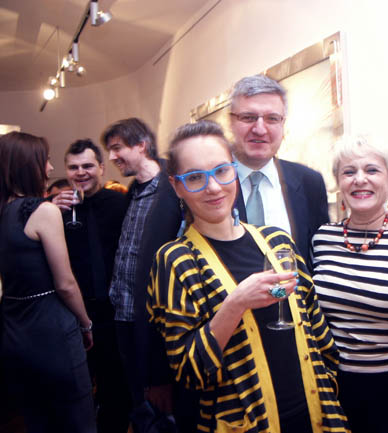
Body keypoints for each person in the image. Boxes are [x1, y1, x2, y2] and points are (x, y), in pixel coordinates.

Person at [147, 120, 350, 433]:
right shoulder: (176, 261)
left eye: (221, 171)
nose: (213, 187)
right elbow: (189, 372)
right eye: (195, 177)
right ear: (177, 186)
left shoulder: (277, 241)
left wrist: (329, 379)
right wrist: (236, 303)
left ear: (234, 170)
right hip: (245, 422)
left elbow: (315, 324)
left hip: (314, 412)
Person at [311, 135, 388, 433]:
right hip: (333, 382)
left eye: (371, 170)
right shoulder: (323, 238)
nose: (359, 179)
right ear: (339, 182)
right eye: (349, 172)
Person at [0, 131, 96, 433]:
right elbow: (65, 283)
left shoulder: (4, 210)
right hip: (51, 330)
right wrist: (86, 324)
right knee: (78, 419)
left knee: (37, 418)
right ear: (28, 165)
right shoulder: (44, 211)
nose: (51, 168)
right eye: (46, 160)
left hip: (13, 329)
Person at [100, 118, 182, 425]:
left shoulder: (173, 189)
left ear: (141, 146)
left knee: (162, 409)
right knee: (138, 402)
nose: (112, 157)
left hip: (154, 321)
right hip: (123, 314)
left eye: (117, 148)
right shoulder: (133, 190)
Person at [51, 139, 131, 433]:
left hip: (115, 313)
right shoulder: (58, 209)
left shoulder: (121, 204)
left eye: (87, 166)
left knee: (116, 388)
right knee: (76, 390)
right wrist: (51, 209)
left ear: (101, 167)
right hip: (73, 314)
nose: (81, 172)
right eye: (74, 167)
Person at [230, 74, 329, 269]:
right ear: (232, 122)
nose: (260, 129)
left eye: (272, 119)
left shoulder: (309, 182)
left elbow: (318, 257)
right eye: (248, 117)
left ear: (283, 123)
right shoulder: (207, 182)